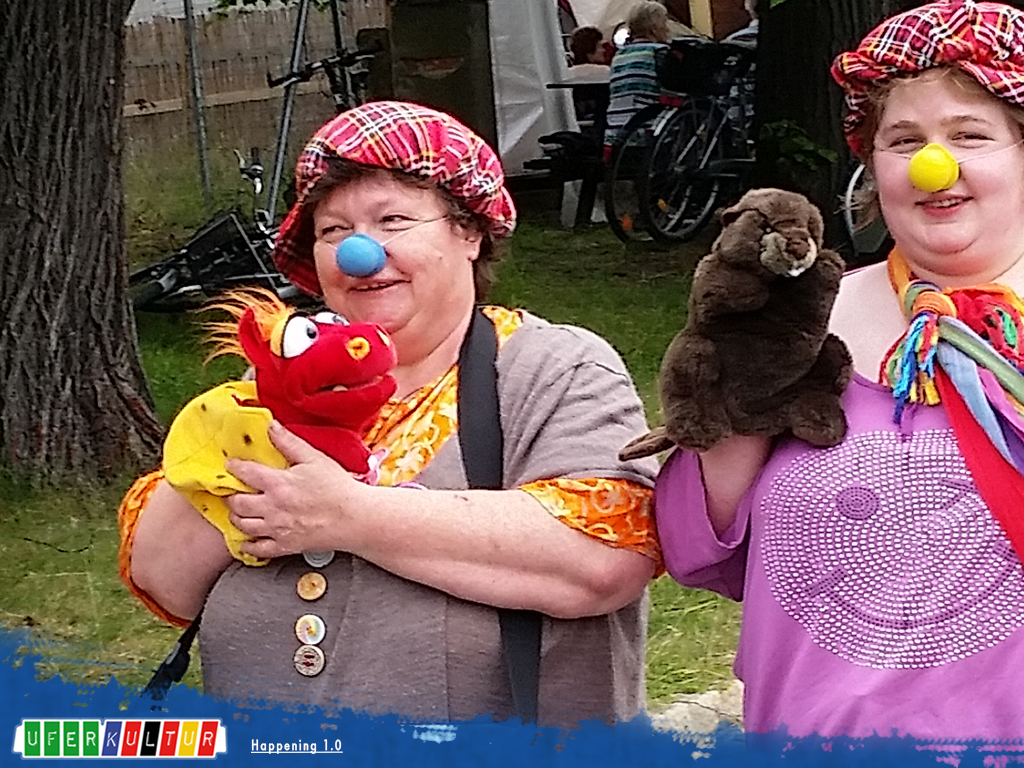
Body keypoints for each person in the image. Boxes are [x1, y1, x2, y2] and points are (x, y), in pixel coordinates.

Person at [117, 101, 660, 727]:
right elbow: (166, 578)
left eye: (393, 220)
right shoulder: (276, 382)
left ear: (469, 232)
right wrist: (247, 424)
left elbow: (601, 560)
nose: (358, 253)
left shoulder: (553, 368)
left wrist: (349, 516)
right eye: (332, 231)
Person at [652, 0, 1024, 740]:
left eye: (970, 135)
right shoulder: (801, 321)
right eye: (904, 140)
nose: (934, 165)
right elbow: (699, 549)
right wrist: (745, 373)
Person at [603, 1, 672, 151]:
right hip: (647, 132)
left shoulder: (619, 55)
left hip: (615, 133)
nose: (668, 29)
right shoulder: (660, 53)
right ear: (654, 28)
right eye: (665, 23)